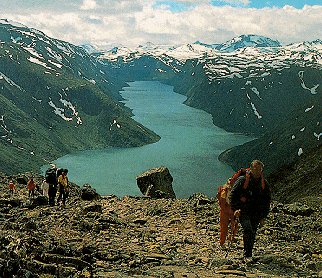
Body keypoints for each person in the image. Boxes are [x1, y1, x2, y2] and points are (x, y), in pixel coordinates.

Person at [229, 160, 271, 262]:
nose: (257, 171)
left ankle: (248, 254)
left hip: (256, 213)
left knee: (252, 233)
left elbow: (267, 201)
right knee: (248, 229)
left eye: (259, 169)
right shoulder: (242, 180)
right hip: (243, 211)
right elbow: (232, 195)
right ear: (251, 169)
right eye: (255, 169)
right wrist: (235, 209)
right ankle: (247, 255)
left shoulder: (264, 184)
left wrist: (263, 216)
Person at [217, 178, 239, 247]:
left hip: (229, 209)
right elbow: (223, 202)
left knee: (233, 225)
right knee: (226, 226)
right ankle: (224, 242)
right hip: (227, 209)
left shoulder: (227, 190)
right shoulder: (225, 190)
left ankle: (226, 241)